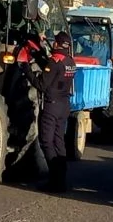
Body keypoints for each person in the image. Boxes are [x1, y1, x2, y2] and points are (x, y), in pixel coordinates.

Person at [37, 30, 76, 192]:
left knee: (46, 141)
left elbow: (41, 85)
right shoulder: (70, 61)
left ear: (56, 44)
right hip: (64, 105)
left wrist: (25, 67)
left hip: (52, 106)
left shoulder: (54, 62)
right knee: (59, 142)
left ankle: (55, 179)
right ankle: (61, 180)